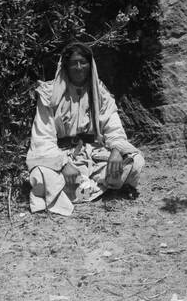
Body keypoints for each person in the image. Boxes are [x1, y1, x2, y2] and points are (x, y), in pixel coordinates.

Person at [26, 42, 145, 216]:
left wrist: (117, 150)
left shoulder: (100, 92)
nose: (79, 67)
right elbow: (42, 138)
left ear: (90, 65)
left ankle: (86, 186)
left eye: (83, 62)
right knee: (41, 175)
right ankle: (100, 187)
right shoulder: (49, 94)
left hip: (94, 154)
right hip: (61, 155)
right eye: (73, 63)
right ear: (66, 66)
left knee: (134, 161)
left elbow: (113, 127)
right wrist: (63, 164)